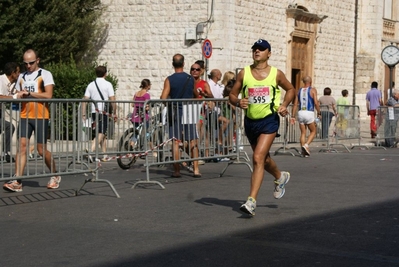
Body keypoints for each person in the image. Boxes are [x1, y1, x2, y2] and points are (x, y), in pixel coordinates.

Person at [229, 39, 295, 216]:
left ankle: (251, 201)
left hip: (269, 120)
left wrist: (284, 105)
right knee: (263, 159)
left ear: (269, 53)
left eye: (261, 49)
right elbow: (232, 94)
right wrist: (237, 101)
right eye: (254, 49)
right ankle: (280, 176)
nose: (257, 51)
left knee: (257, 157)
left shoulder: (276, 74)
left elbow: (290, 89)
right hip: (251, 121)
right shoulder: (244, 73)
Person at [3, 49, 60, 192]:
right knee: (21, 147)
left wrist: (29, 93)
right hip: (25, 115)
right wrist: (17, 94)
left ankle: (55, 174)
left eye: (31, 63)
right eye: (26, 63)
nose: (28, 66)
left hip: (40, 116)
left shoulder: (45, 74)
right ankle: (17, 180)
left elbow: (48, 95)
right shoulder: (21, 76)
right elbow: (16, 93)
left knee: (41, 150)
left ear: (38, 60)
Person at [160, 54, 201, 178]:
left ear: (173, 64)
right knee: (192, 140)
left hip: (175, 111)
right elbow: (195, 94)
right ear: (183, 64)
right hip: (189, 110)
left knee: (176, 141)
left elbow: (163, 97)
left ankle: (177, 170)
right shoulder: (190, 79)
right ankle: (196, 169)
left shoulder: (169, 79)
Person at [82, 66, 116, 162]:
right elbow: (112, 99)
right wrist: (115, 112)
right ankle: (91, 149)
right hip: (103, 111)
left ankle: (105, 155)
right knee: (101, 132)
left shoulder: (91, 85)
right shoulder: (108, 84)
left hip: (94, 111)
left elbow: (85, 100)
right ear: (105, 73)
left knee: (101, 132)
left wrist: (83, 114)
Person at [290, 76, 321, 157]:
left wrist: (293, 115)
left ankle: (304, 152)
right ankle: (306, 145)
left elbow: (295, 104)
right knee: (313, 131)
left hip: (300, 112)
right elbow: (316, 102)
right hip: (309, 112)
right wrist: (319, 112)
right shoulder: (313, 90)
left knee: (303, 133)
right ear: (310, 81)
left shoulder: (299, 91)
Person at [0, 62, 19, 162]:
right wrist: (13, 97)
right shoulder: (0, 80)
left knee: (9, 127)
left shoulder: (10, 84)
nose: (19, 74)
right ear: (13, 73)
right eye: (18, 72)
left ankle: (5, 153)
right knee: (8, 127)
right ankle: (5, 153)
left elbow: (16, 92)